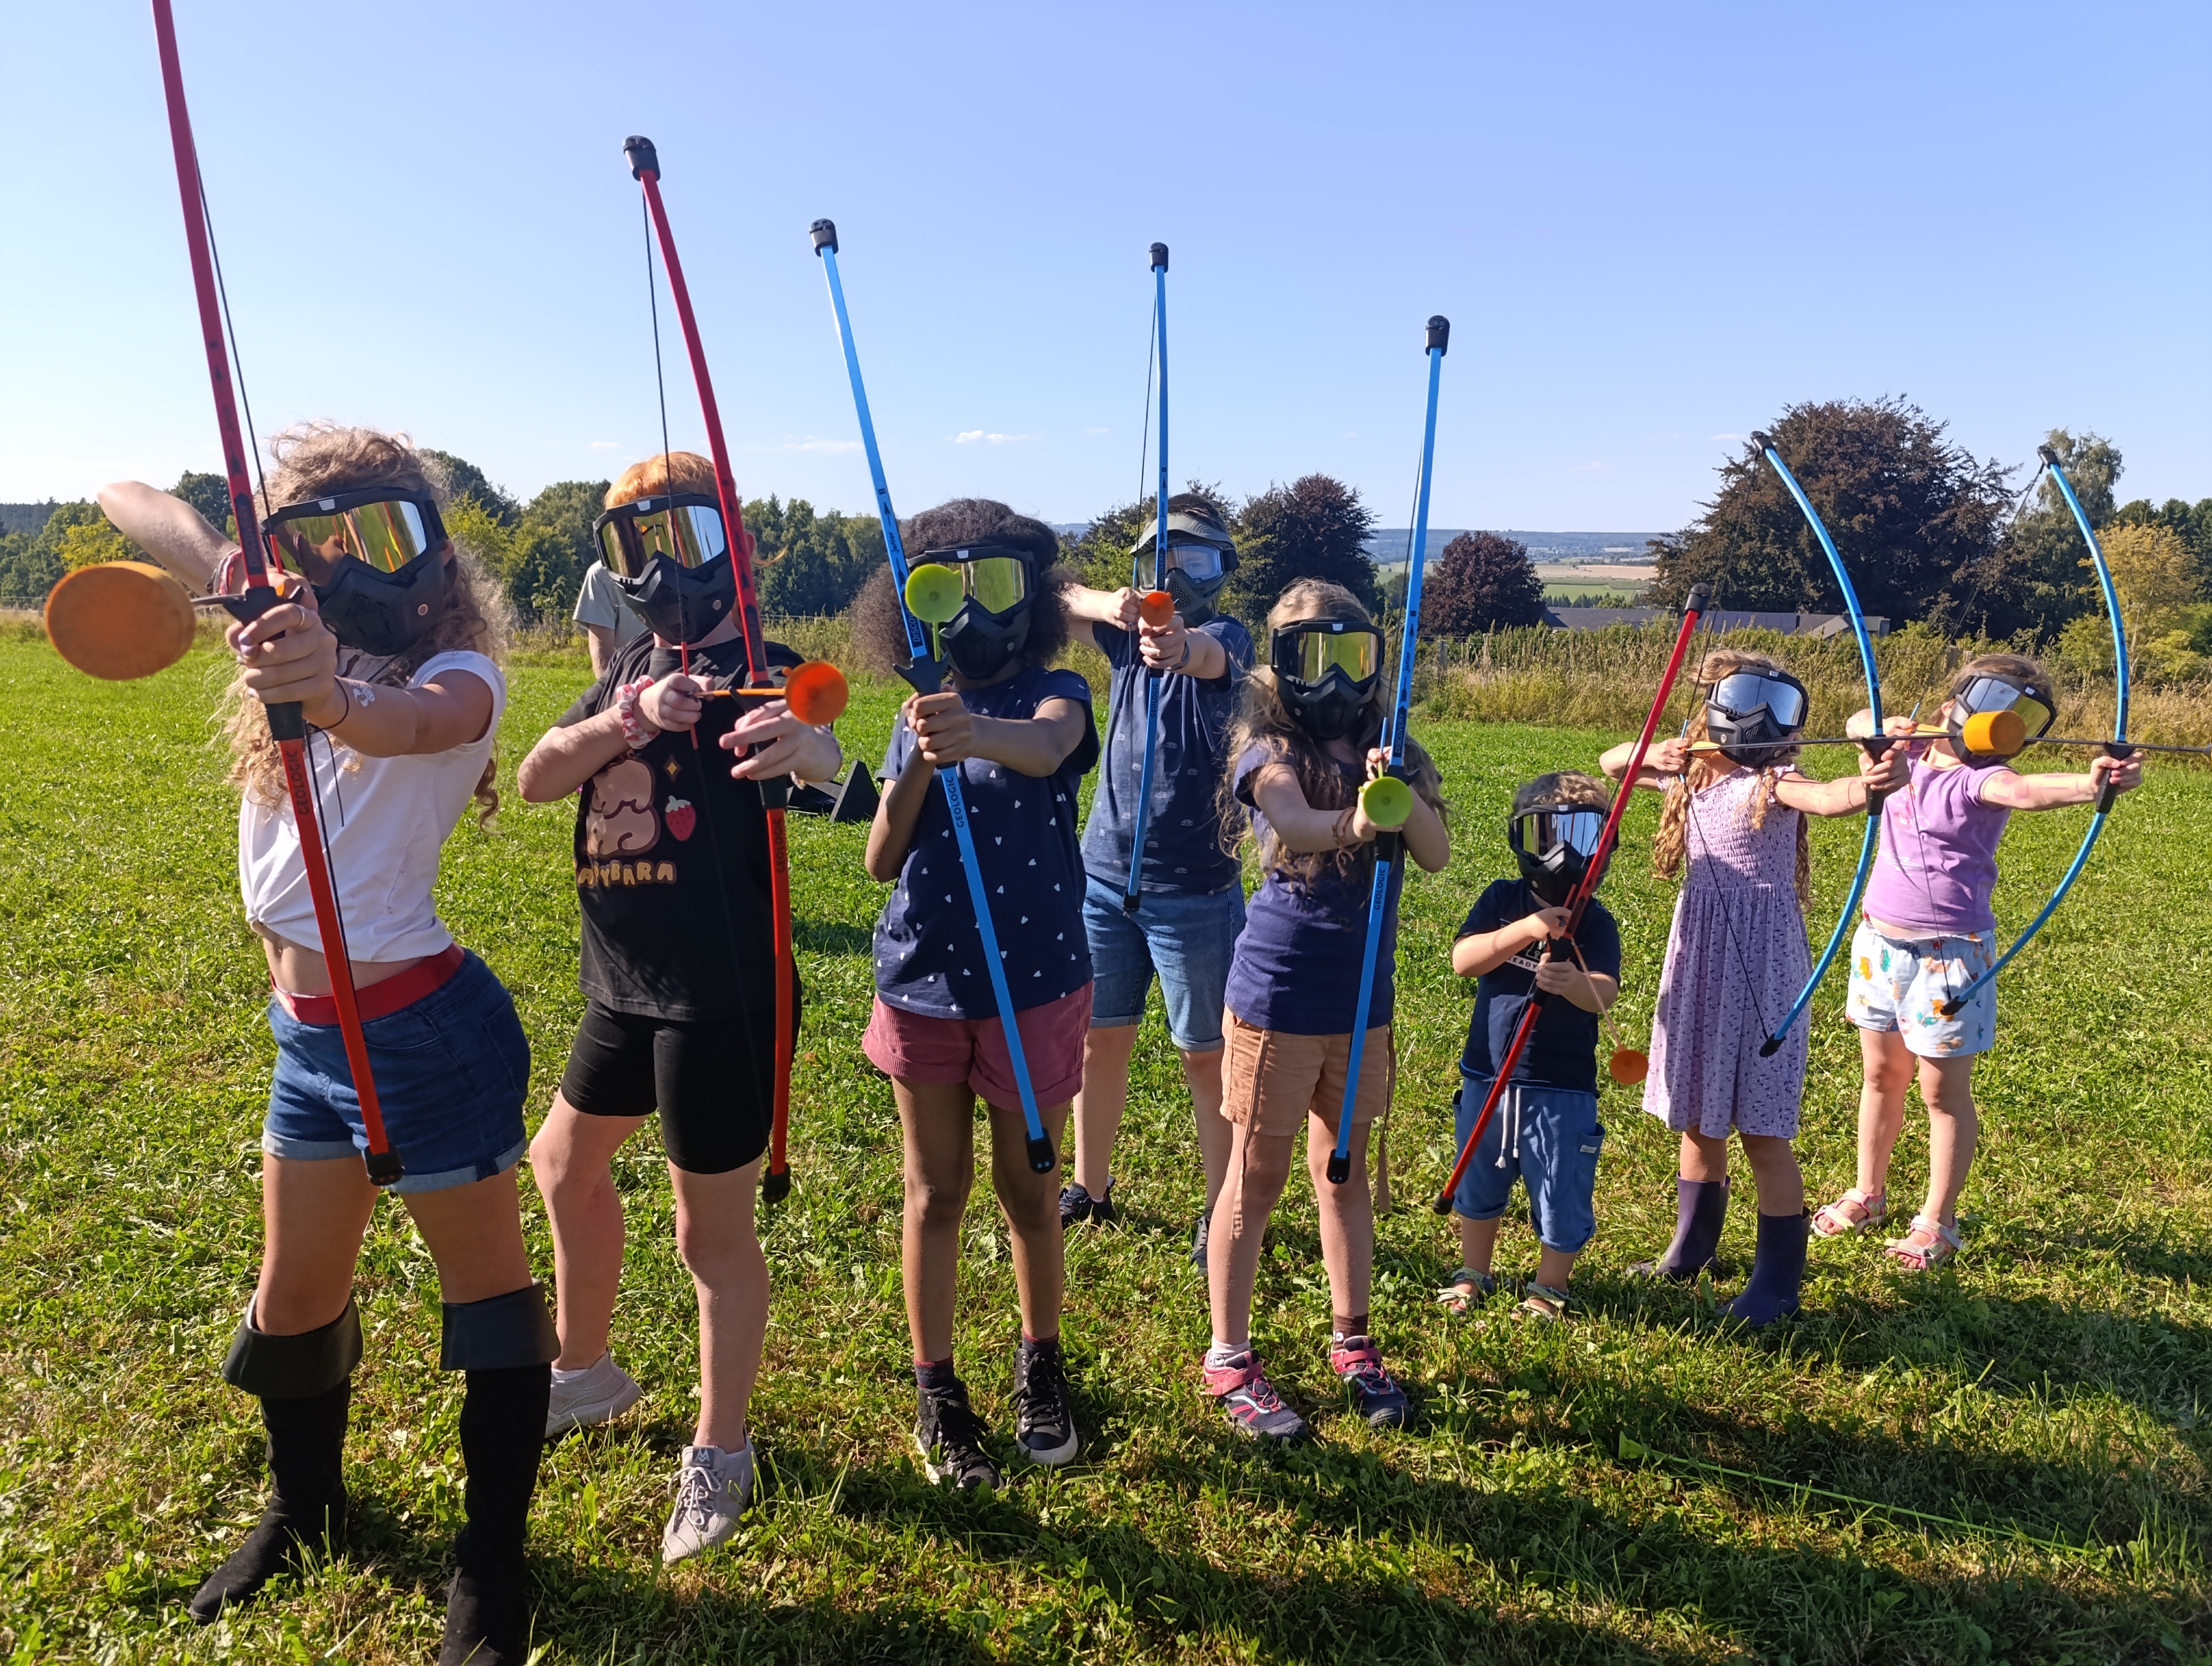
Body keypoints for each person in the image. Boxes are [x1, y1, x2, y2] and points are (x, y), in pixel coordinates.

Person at [101, 425, 552, 1665]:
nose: (355, 567)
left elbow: (410, 721)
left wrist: (330, 693)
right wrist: (234, 560)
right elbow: (135, 496)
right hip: (304, 1038)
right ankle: (307, 1511)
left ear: (431, 547)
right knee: (295, 1299)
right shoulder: (274, 619)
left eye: (386, 534)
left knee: (490, 1309)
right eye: (321, 538)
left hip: (423, 1032)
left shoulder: (461, 669)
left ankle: (490, 1565)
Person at [516, 452, 843, 1563]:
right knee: (561, 1166)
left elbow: (824, 752)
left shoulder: (766, 670)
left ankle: (721, 1450)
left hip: (722, 1001)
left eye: (687, 535)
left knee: (710, 1236)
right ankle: (586, 1372)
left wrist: (815, 752)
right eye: (632, 544)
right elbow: (535, 776)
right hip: (620, 989)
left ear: (735, 550)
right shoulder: (629, 675)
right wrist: (631, 718)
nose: (659, 568)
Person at [856, 499, 1099, 1491]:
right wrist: (921, 752)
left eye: (994, 583)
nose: (970, 611)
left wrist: (975, 731)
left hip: (1033, 984)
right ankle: (937, 1386)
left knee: (1030, 1191)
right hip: (923, 984)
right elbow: (880, 857)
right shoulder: (916, 715)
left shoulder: (1058, 692)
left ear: (1029, 597)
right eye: (940, 589)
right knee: (935, 1190)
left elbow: (1045, 749)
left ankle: (1043, 1363)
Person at [1203, 579, 1449, 1441]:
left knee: (1340, 1175)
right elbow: (1295, 823)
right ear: (1281, 665)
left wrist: (1400, 793)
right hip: (1279, 995)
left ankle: (1354, 1339)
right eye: (1315, 654)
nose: (1338, 675)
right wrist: (1355, 822)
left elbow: (1437, 852)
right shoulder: (1266, 745)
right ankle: (1228, 1355)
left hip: (1362, 1004)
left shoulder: (1395, 747)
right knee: (1257, 1176)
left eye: (1354, 653)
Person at [1812, 653, 2142, 1269]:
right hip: (1879, 946)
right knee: (1882, 1076)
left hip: (1949, 958)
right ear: (1953, 704)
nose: (2006, 727)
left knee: (1941, 1092)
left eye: (2024, 719)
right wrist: (1879, 729)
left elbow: (2025, 790)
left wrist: (2095, 781)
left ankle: (1938, 1219)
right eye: (1997, 706)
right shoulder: (1905, 757)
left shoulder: (1980, 779)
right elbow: (1859, 721)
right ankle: (1869, 1192)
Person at [1600, 648, 1884, 1325]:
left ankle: (1777, 1284)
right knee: (1698, 1115)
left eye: (1779, 713)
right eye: (1743, 701)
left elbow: (1834, 797)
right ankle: (1691, 1249)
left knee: (1761, 1128)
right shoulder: (1689, 780)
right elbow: (1614, 763)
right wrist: (1664, 752)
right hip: (1700, 962)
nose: (1760, 723)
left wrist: (1873, 781)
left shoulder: (1776, 783)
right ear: (1713, 713)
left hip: (1761, 969)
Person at [1057, 495, 1253, 1260]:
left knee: (1206, 1057)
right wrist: (1113, 604)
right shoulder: (1120, 638)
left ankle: (1221, 1204)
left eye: (1195, 561)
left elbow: (1206, 653)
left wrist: (1177, 644)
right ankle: (1090, 1185)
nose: (1175, 575)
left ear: (1220, 571)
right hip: (1102, 877)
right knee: (1097, 1044)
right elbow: (1051, 599)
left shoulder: (1226, 637)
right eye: (1159, 561)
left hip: (1196, 890)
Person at [1439, 772, 1623, 1322]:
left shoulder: (1597, 920)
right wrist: (1526, 929)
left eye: (1583, 837)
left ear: (1603, 845)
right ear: (1525, 840)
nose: (1562, 853)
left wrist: (1576, 986)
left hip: (1560, 1087)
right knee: (1478, 1182)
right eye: (1547, 836)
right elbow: (1465, 960)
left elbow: (1607, 993)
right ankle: (1474, 1270)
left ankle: (1550, 1286)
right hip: (1488, 1078)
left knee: (1560, 1188)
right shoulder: (1502, 900)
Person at [573, 555, 647, 677]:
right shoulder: (602, 575)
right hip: (630, 686)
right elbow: (603, 657)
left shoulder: (683, 567)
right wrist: (612, 693)